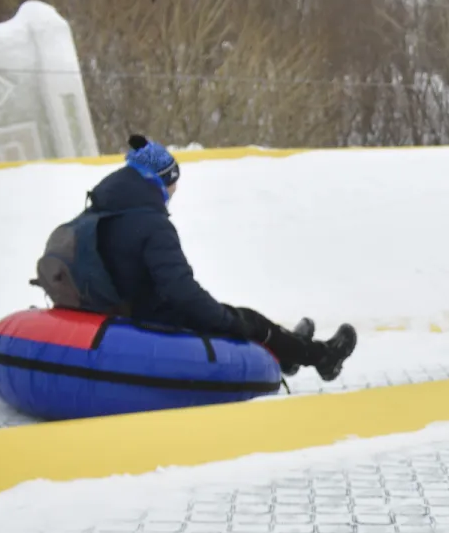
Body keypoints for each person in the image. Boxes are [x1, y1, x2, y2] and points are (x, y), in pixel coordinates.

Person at [85, 135, 357, 380]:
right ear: (160, 181)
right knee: (248, 321)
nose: (174, 191)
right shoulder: (151, 224)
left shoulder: (105, 209)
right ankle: (324, 357)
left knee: (235, 317)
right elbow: (180, 290)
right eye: (173, 183)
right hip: (149, 317)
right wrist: (225, 318)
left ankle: (290, 351)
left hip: (121, 309)